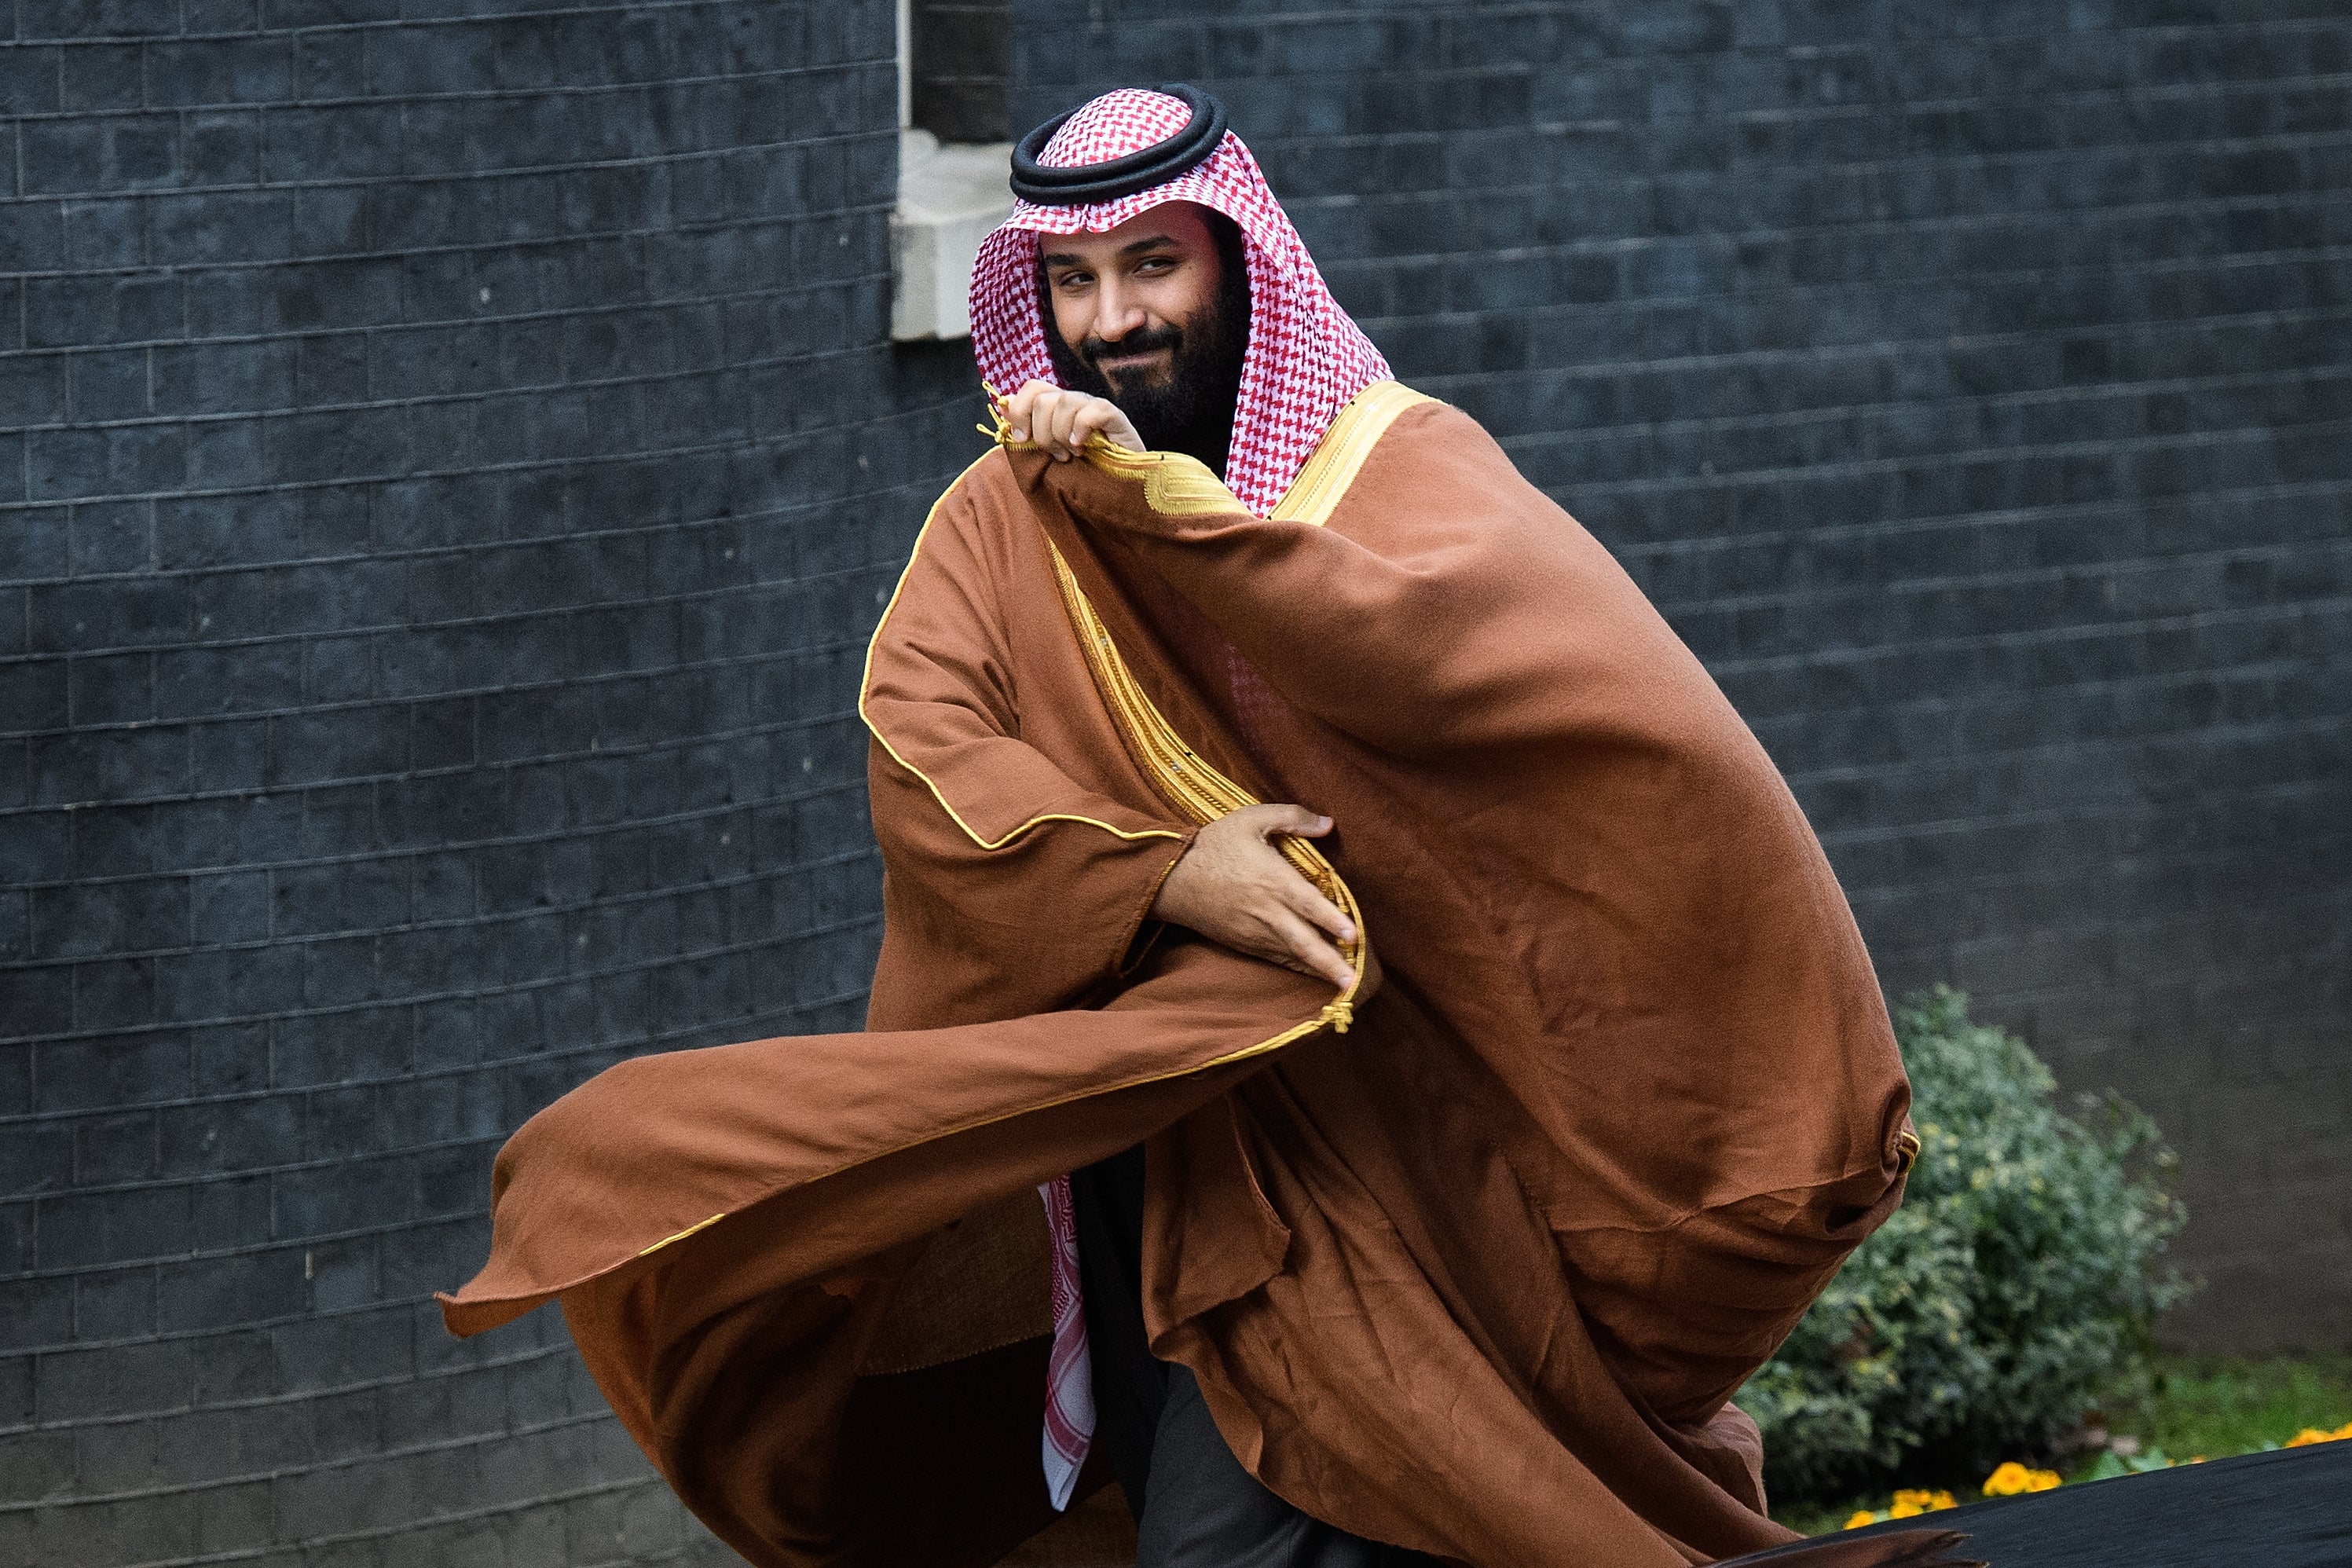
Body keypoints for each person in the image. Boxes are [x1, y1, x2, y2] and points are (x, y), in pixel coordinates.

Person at [442, 87, 1919, 1568]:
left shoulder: (1400, 472)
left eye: (1154, 266)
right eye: (1072, 282)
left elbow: (1583, 727)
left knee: (1316, 1522)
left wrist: (1157, 513)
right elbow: (926, 744)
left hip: (1395, 1152)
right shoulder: (1001, 516)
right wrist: (1164, 875)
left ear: (1238, 259)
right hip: (1140, 1149)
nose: (1112, 320)